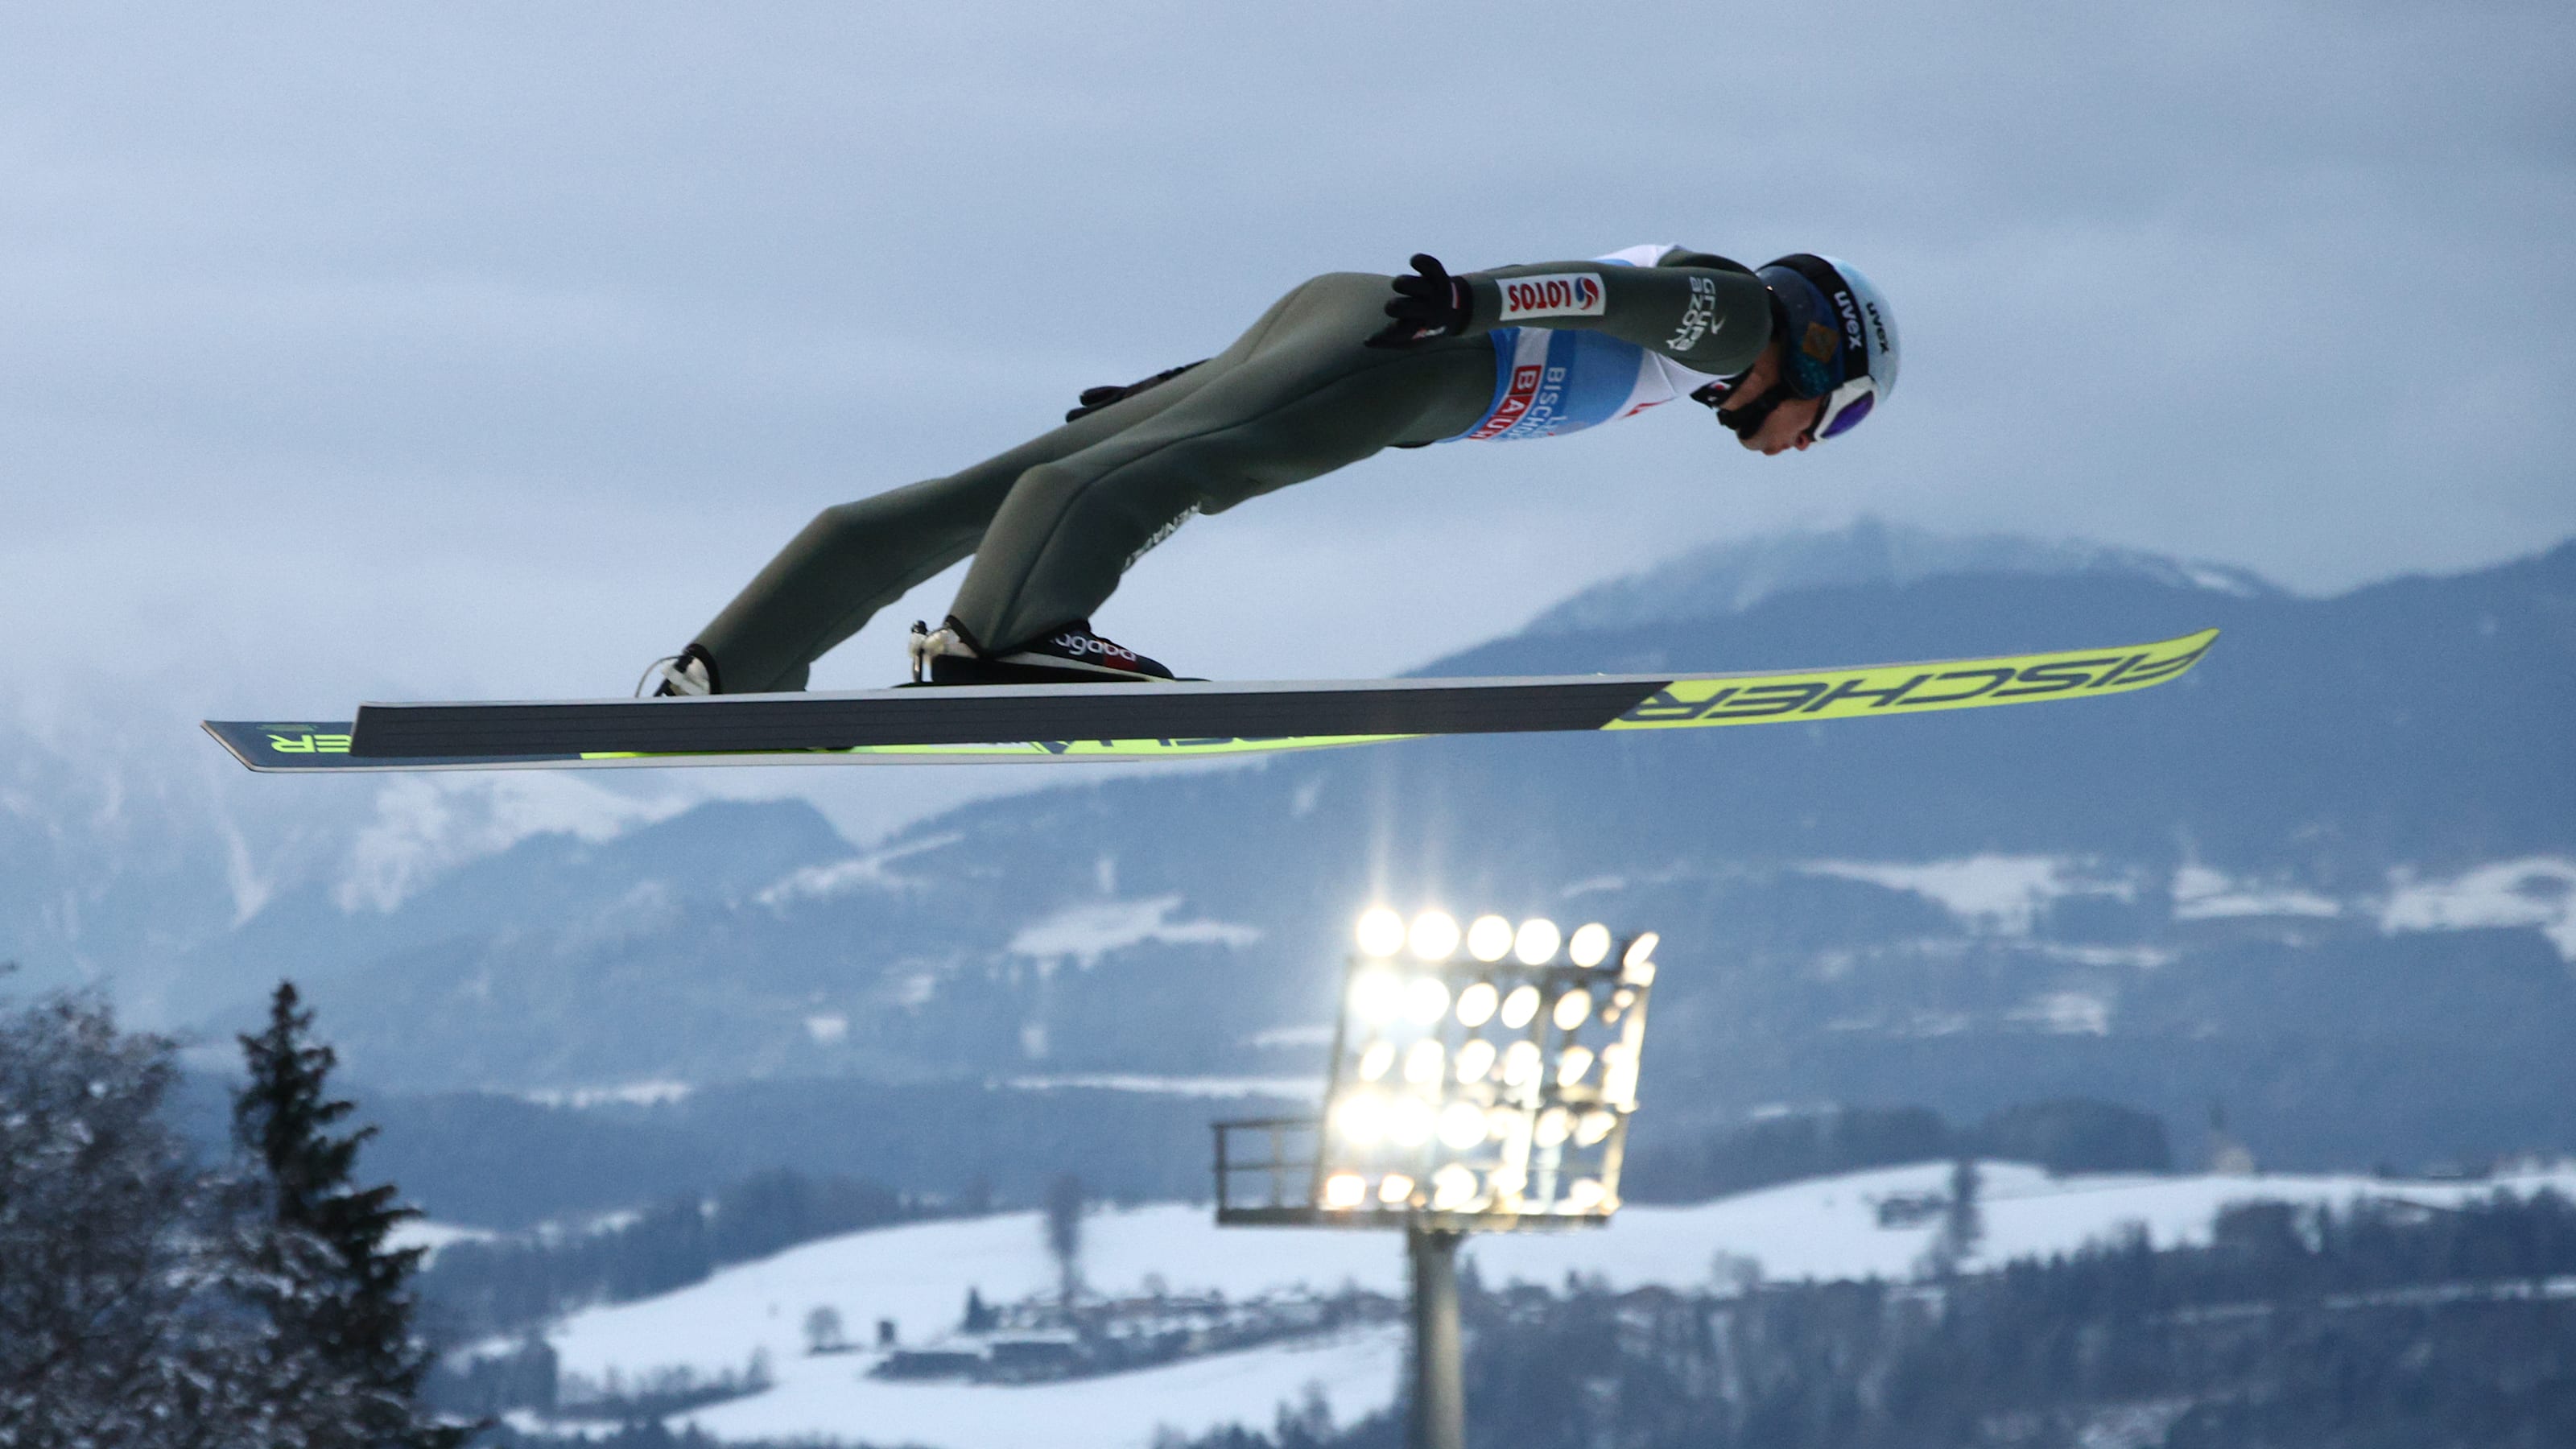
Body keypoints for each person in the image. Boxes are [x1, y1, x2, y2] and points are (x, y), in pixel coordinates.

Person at [641, 245, 1899, 695]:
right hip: (1428, 354)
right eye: (1834, 423)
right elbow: (1602, 289)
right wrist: (1473, 298)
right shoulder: (1739, 318)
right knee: (1216, 462)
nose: (1804, 451)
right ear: (1822, 351)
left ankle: (733, 663)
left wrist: (1172, 380)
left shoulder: (1710, 334)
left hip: (1357, 320)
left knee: (1023, 474)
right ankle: (1009, 637)